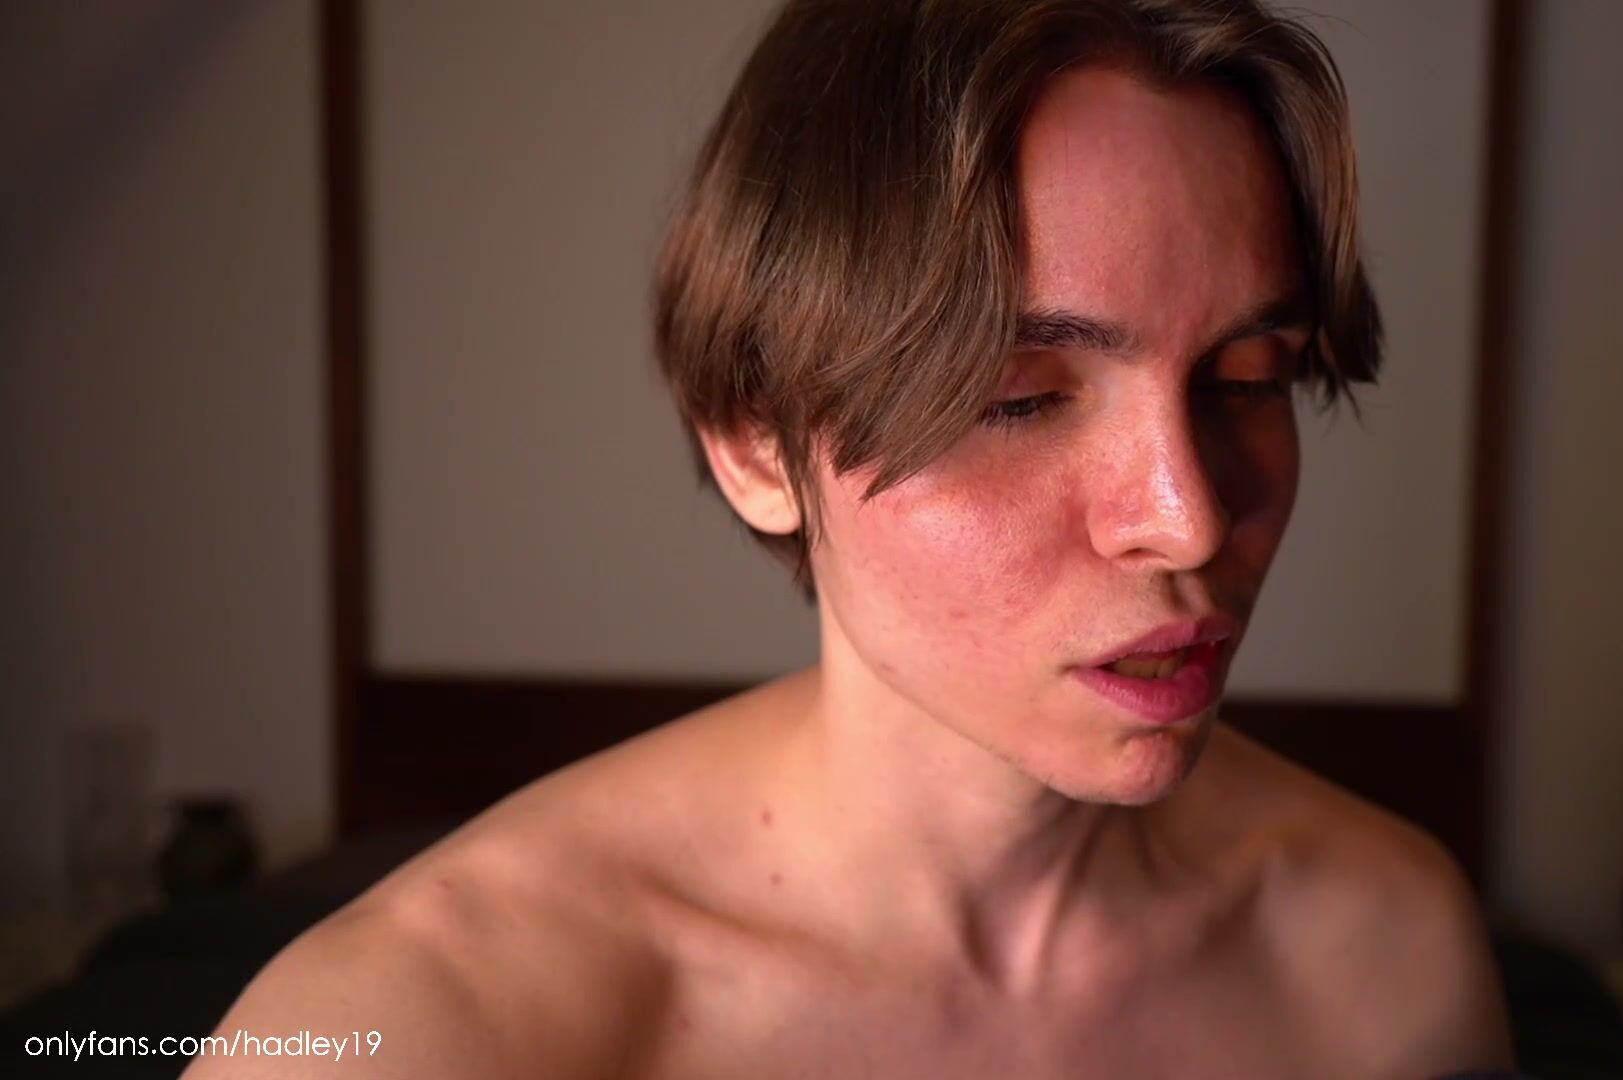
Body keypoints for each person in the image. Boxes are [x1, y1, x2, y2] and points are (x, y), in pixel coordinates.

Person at [190, 1, 1515, 1076]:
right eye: (1019, 399)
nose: (1189, 516)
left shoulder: (1383, 955)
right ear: (755, 443)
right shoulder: (414, 1029)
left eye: (1247, 381)